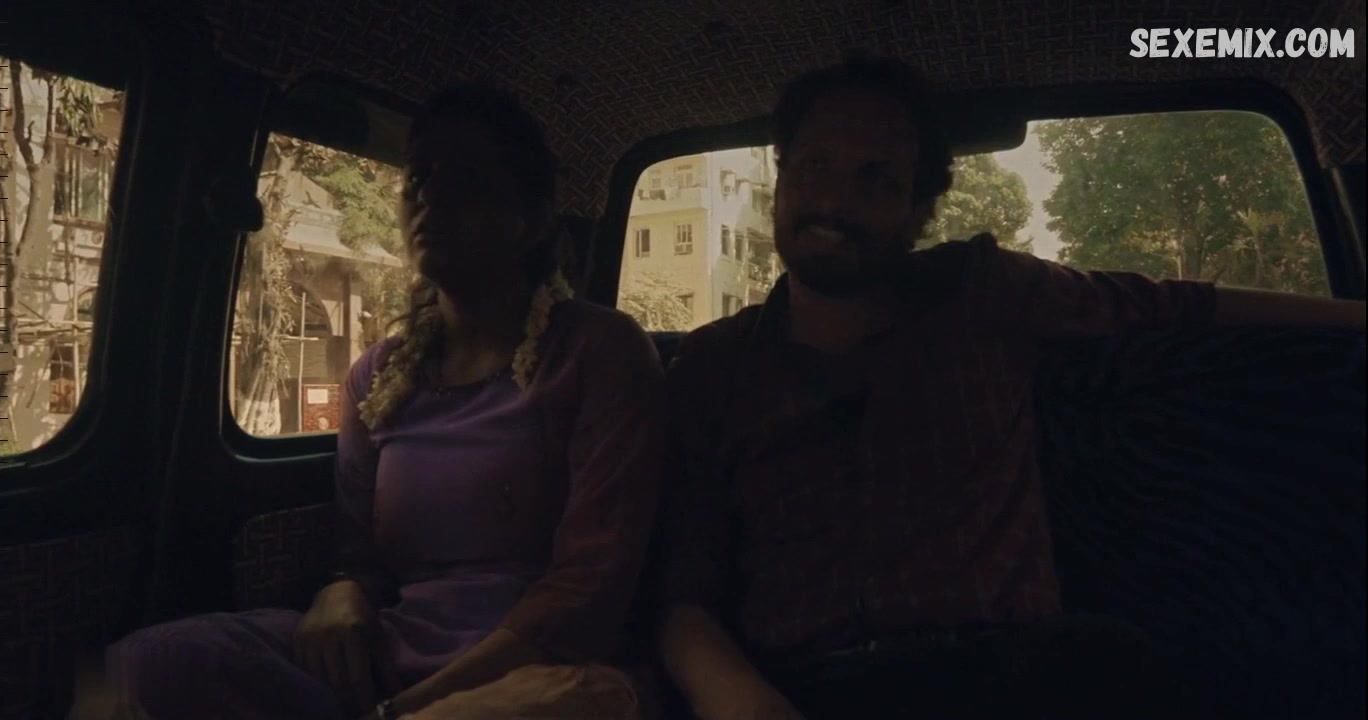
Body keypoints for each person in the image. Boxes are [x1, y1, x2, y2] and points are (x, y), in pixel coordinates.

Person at [653, 54, 1366, 720]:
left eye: (876, 178)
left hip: (1011, 675)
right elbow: (684, 593)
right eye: (814, 165)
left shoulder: (983, 291)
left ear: (919, 211)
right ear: (782, 179)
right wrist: (751, 709)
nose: (835, 200)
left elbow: (1178, 305)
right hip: (799, 688)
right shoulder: (714, 366)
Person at [78, 81, 665, 720]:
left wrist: (411, 709)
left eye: (465, 177)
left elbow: (588, 589)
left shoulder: (599, 350)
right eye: (419, 177)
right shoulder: (381, 375)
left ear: (532, 220)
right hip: (390, 653)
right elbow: (359, 557)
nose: (429, 195)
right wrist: (340, 592)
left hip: (539, 670)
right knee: (147, 665)